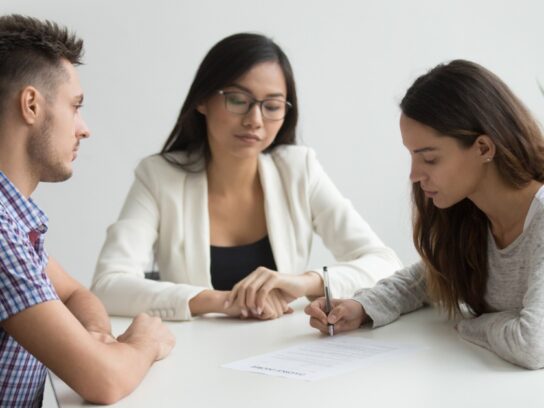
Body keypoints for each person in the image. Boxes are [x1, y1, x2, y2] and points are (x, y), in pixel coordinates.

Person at [91, 33, 402, 321]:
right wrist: (226, 301)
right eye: (238, 100)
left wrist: (304, 282)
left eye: (272, 106)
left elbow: (385, 263)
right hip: (191, 358)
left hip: (278, 356)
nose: (255, 120)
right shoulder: (159, 177)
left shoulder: (299, 169)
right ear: (202, 100)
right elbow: (108, 286)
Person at [305, 59, 544, 370]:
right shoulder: (472, 215)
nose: (414, 175)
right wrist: (362, 306)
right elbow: (427, 278)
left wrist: (473, 324)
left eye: (429, 158)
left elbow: (533, 345)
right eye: (412, 155)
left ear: (484, 148)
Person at [0, 14, 175, 406]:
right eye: (75, 107)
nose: (84, 128)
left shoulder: (14, 221)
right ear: (30, 105)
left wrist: (97, 337)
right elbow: (104, 381)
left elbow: (76, 293)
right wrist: (142, 342)